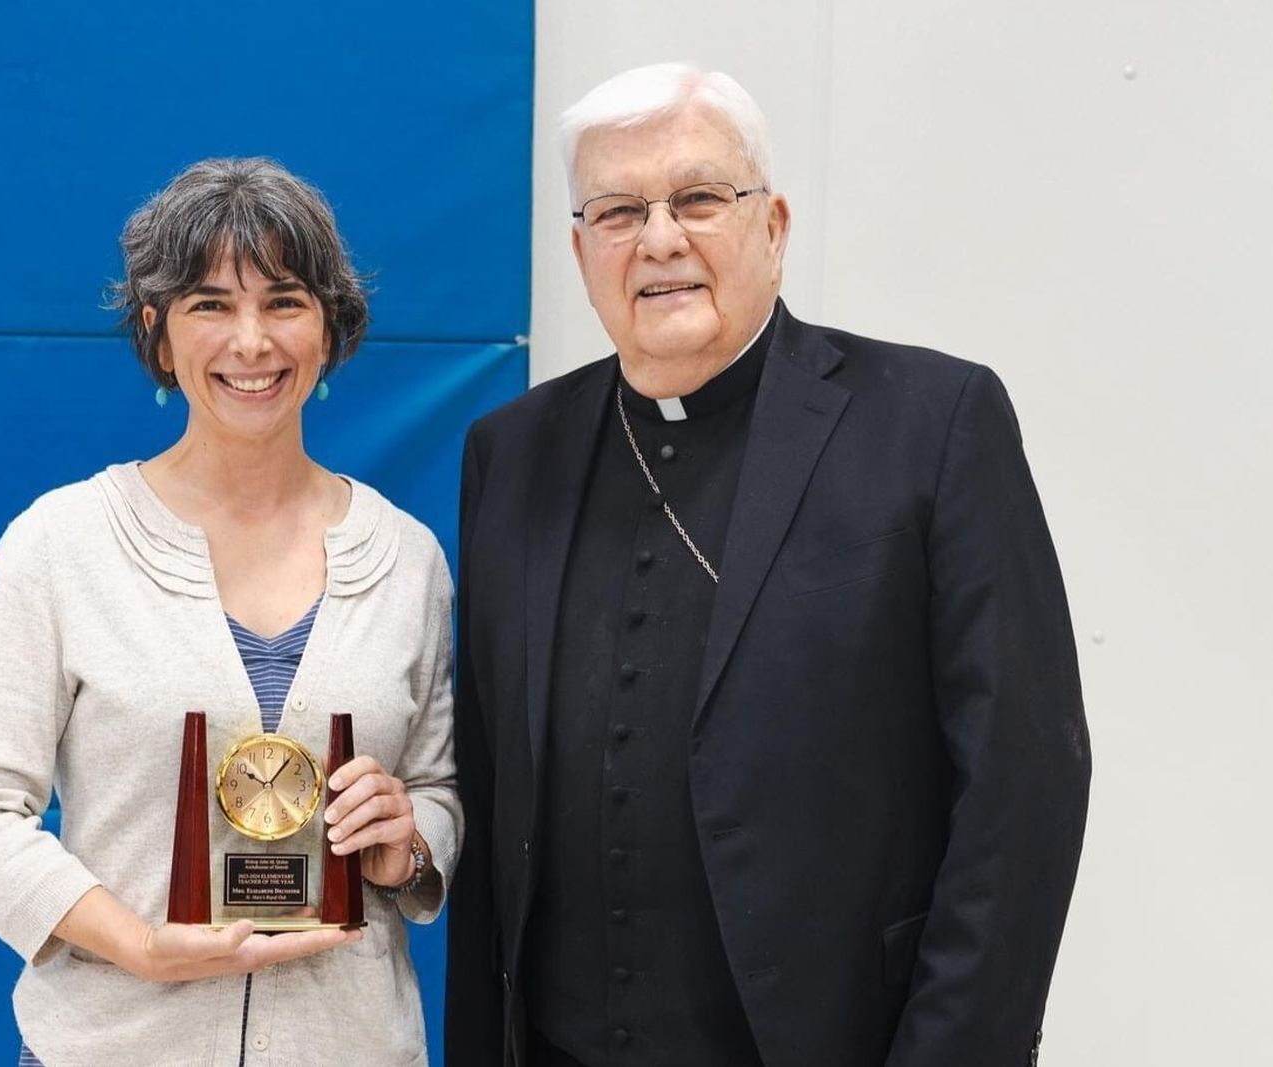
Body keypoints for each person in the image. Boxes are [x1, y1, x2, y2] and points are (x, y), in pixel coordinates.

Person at [445, 63, 1090, 1067]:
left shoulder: (929, 421)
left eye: (697, 198)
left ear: (773, 227)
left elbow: (1023, 785)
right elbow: (491, 790)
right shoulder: (510, 449)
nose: (659, 238)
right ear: (580, 251)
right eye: (617, 211)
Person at [0, 157, 461, 1066]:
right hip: (112, 1042)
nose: (251, 341)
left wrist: (406, 846)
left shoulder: (407, 558)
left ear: (328, 329)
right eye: (210, 304)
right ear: (158, 335)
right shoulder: (62, 543)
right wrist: (137, 945)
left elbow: (440, 790)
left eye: (284, 300)